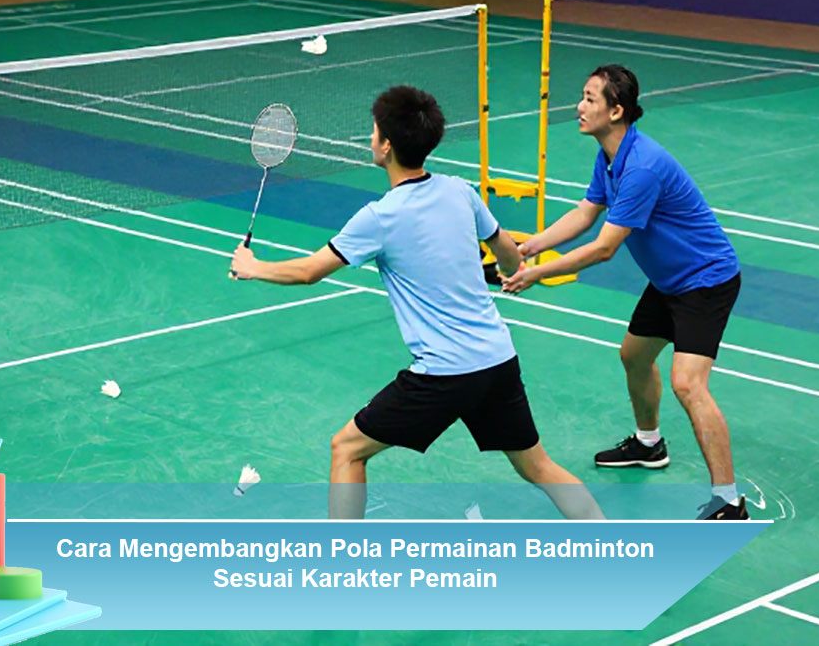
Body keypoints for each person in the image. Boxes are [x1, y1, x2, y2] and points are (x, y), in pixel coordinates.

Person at [230, 85, 602, 520]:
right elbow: (507, 253)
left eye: (374, 131)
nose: (371, 138)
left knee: (346, 449)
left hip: (444, 373)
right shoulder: (460, 191)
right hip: (497, 359)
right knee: (538, 466)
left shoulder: (379, 217)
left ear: (387, 145)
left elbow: (309, 271)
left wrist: (253, 266)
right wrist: (507, 269)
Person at [502, 65, 746, 520]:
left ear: (616, 111)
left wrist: (537, 274)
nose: (579, 106)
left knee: (688, 383)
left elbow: (603, 249)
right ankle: (649, 444)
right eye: (582, 96)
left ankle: (729, 500)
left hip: (705, 280)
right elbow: (585, 213)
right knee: (634, 356)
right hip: (670, 280)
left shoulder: (642, 167)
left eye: (590, 99)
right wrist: (530, 246)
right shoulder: (611, 156)